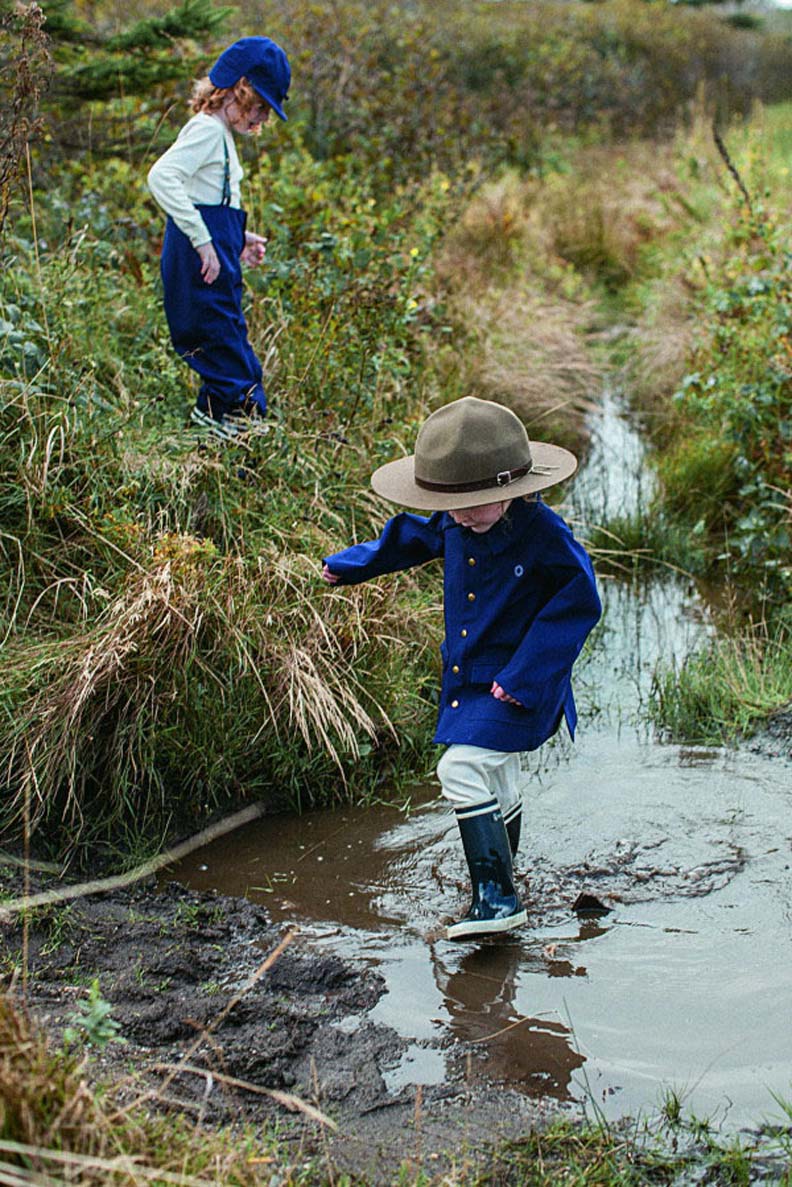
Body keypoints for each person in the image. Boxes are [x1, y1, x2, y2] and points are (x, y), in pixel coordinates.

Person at [322, 397, 601, 941]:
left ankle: (496, 901)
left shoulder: (543, 533)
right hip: (470, 678)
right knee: (495, 774)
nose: (460, 517)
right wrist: (350, 566)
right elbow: (407, 539)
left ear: (510, 493)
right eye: (451, 508)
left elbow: (581, 601)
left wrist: (524, 678)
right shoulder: (454, 520)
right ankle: (504, 872)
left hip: (523, 685)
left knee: (457, 770)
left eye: (474, 506)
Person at [147, 36, 290, 443]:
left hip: (212, 253)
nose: (260, 117)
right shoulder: (207, 130)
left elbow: (205, 198)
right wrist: (204, 240)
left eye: (265, 110)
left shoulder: (220, 135)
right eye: (257, 105)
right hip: (197, 262)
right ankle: (243, 438)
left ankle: (211, 432)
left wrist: (235, 237)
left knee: (231, 343)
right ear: (235, 90)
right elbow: (162, 177)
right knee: (226, 350)